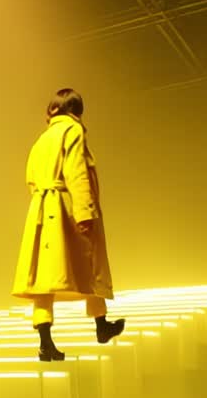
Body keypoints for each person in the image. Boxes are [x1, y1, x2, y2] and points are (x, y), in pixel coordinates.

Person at [12, 88, 124, 361]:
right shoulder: (72, 131)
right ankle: (101, 325)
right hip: (65, 205)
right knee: (89, 264)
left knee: (43, 279)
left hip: (41, 209)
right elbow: (77, 172)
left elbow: (30, 178)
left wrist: (43, 200)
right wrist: (85, 212)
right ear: (75, 110)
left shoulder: (42, 139)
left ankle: (45, 342)